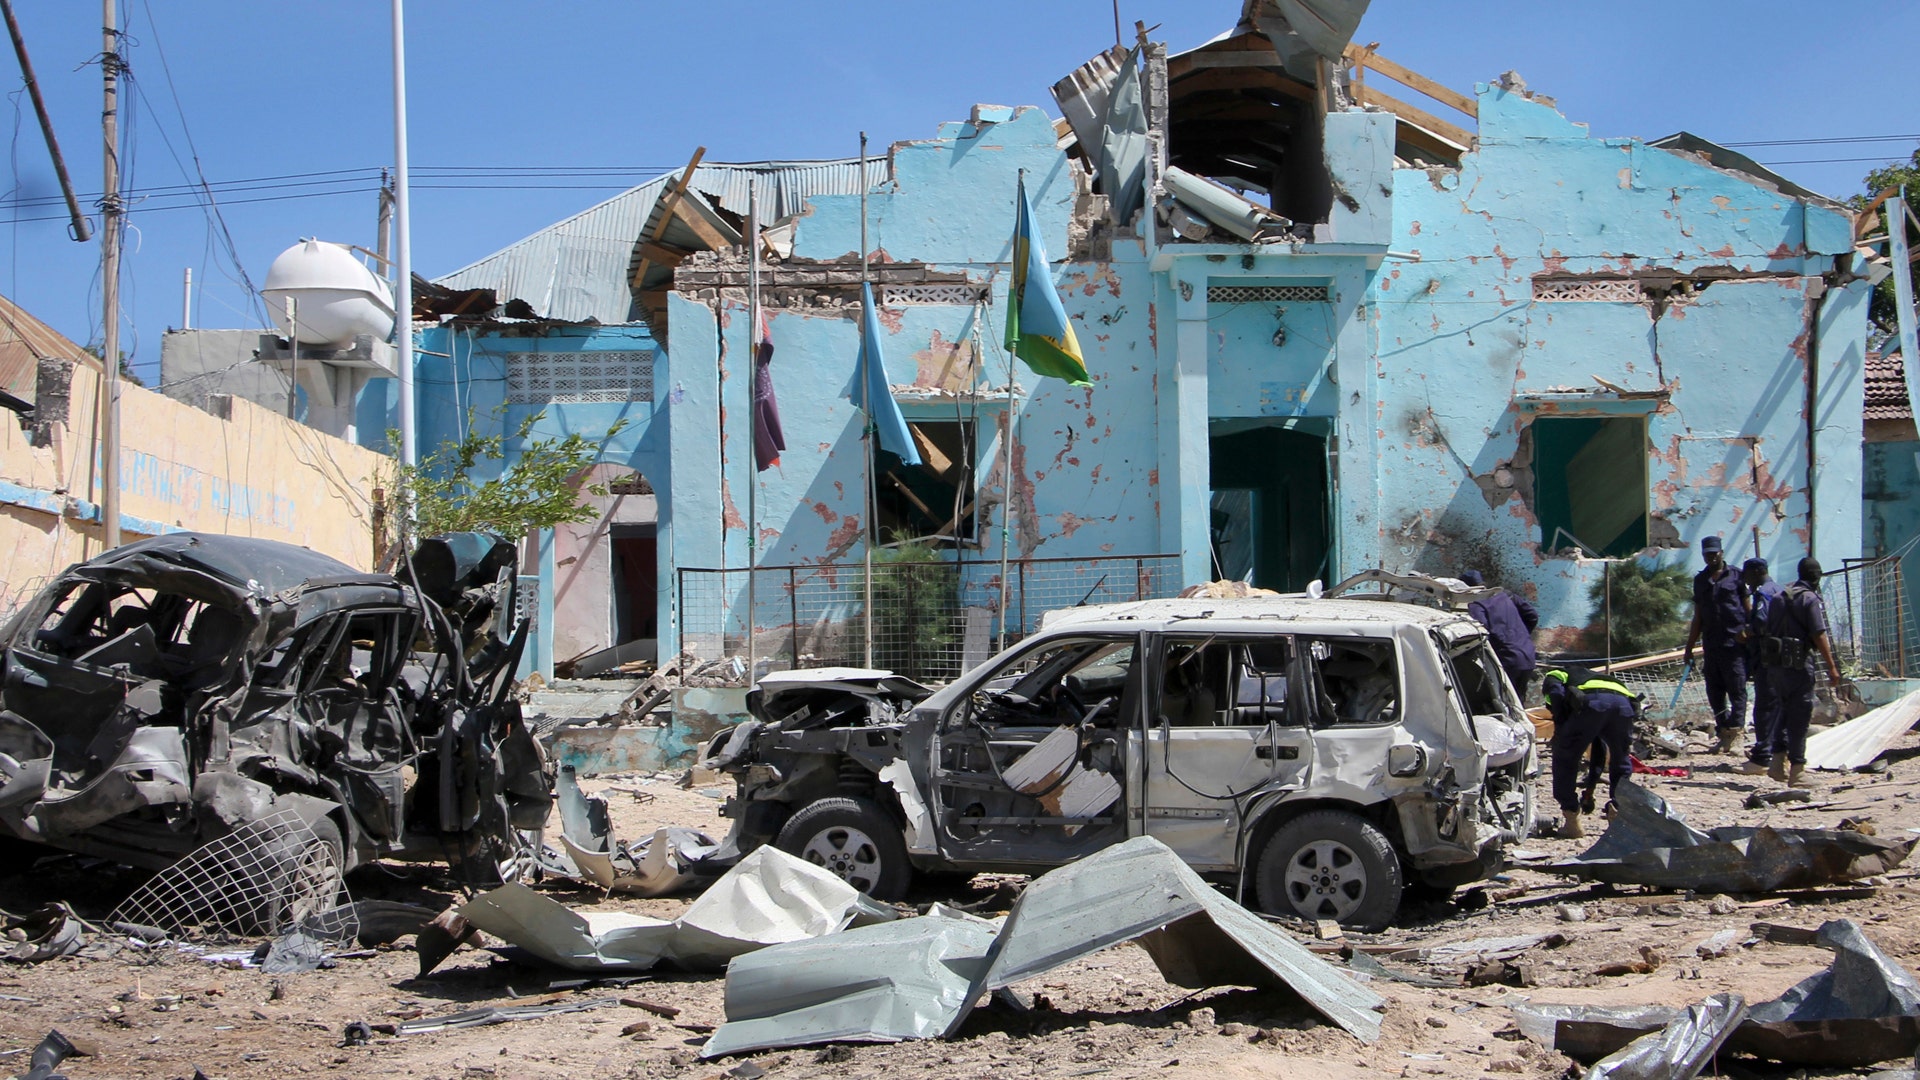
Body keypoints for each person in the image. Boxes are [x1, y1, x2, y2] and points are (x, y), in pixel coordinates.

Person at [1757, 557, 1848, 787]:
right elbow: (1818, 634)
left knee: (1782, 710)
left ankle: (1777, 764)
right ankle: (1797, 771)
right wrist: (1832, 666)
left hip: (1776, 664)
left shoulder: (1779, 596)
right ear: (1816, 577)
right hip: (1798, 665)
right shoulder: (1809, 599)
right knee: (1799, 716)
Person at [1541, 663, 1637, 839]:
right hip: (1624, 705)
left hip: (1591, 703)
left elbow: (1554, 692)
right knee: (1621, 759)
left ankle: (1572, 822)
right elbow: (1598, 753)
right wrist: (1589, 793)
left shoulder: (1557, 673)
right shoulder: (1597, 679)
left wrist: (1561, 723)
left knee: (1565, 758)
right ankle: (1617, 814)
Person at [1682, 536, 1749, 754]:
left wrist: (1750, 633)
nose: (1711, 557)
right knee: (1715, 691)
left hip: (1735, 644)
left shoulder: (1737, 576)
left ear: (1722, 553)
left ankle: (1736, 734)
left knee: (1737, 689)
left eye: (1714, 553)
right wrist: (1689, 648)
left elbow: (1748, 608)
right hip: (1712, 645)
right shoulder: (1701, 580)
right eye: (1707, 554)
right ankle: (1723, 734)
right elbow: (1698, 617)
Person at [1736, 558, 1786, 779]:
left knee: (1764, 707)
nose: (1745, 581)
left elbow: (1761, 623)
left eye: (1747, 575)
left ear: (1757, 572)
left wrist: (1747, 632)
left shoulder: (1763, 593)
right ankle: (1777, 754)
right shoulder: (1780, 589)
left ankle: (1761, 758)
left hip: (1767, 657)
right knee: (1777, 706)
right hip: (1781, 656)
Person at [1460, 570, 1539, 699]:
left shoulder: (1477, 606)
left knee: (1506, 702)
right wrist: (1522, 636)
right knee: (1519, 700)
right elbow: (1532, 616)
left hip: (1507, 659)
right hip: (1528, 654)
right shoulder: (1507, 596)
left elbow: (1482, 632)